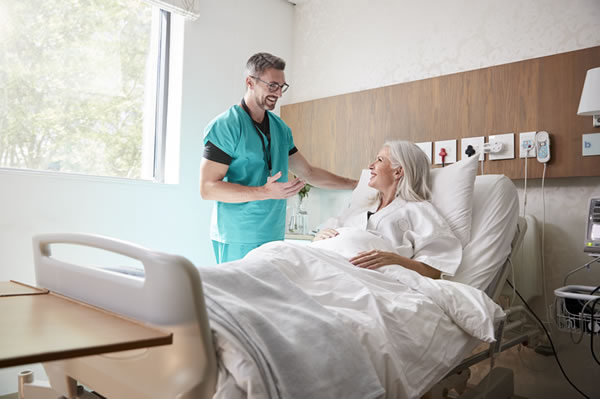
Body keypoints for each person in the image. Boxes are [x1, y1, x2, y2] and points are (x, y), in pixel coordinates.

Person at [199, 52, 357, 263]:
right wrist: (264, 192)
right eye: (272, 85)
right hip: (238, 235)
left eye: (282, 87)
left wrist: (355, 183)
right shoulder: (226, 126)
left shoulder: (281, 129)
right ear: (250, 82)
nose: (279, 93)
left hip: (273, 236)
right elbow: (208, 188)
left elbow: (308, 172)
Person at [313, 140, 462, 279]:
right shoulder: (360, 208)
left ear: (398, 172)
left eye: (379, 160)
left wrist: (396, 260)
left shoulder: (419, 211)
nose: (371, 166)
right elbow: (330, 230)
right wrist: (320, 237)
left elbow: (434, 269)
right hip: (324, 266)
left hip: (366, 278)